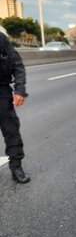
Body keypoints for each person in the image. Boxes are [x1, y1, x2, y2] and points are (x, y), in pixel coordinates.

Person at [0, 28, 30, 183]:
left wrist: (19, 90)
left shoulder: (1, 39)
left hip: (1, 91)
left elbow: (17, 65)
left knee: (11, 131)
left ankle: (16, 167)